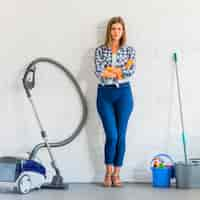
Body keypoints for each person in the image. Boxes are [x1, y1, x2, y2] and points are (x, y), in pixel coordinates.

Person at [94, 16, 136, 187]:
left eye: (119, 29)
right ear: (109, 31)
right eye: (113, 29)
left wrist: (111, 70)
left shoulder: (129, 51)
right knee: (112, 135)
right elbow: (99, 71)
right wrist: (119, 70)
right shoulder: (100, 50)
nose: (116, 32)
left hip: (124, 95)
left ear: (123, 31)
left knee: (121, 136)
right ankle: (108, 171)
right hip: (105, 94)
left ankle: (117, 173)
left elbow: (130, 71)